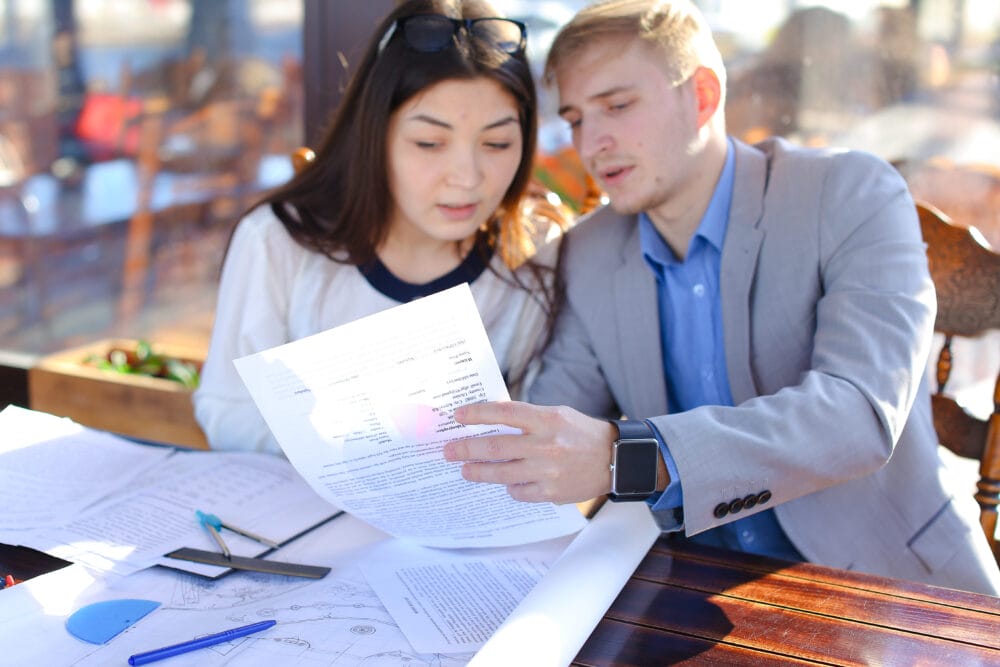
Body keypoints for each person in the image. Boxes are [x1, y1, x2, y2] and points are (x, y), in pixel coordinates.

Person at [443, 0, 1000, 595]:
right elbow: (555, 413)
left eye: (619, 106)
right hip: (690, 592)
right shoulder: (589, 250)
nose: (593, 142)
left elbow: (858, 414)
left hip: (897, 591)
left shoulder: (851, 192)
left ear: (703, 96)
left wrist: (627, 456)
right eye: (577, 119)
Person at [194, 0, 562, 454]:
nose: (467, 177)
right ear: (373, 136)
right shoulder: (279, 242)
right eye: (429, 143)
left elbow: (540, 424)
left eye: (497, 142)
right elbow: (228, 412)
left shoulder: (533, 250)